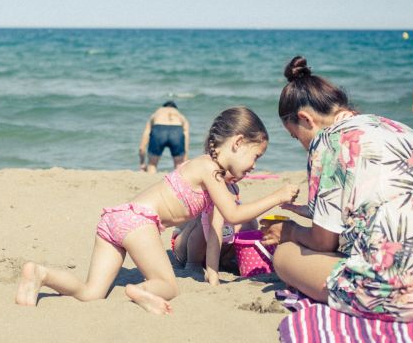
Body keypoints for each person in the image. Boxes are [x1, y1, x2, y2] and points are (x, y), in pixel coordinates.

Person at [263, 56, 413, 321]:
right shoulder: (396, 128)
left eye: (296, 136)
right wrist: (314, 212)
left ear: (306, 119)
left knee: (285, 256)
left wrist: (289, 230)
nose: (301, 144)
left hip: (412, 293)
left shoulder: (327, 143)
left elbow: (322, 241)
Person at [16, 106, 300, 314]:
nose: (254, 166)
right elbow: (236, 216)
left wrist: (212, 274)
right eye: (256, 156)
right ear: (238, 143)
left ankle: (41, 274)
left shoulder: (209, 172)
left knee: (92, 294)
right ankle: (139, 291)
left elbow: (215, 227)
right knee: (168, 285)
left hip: (115, 219)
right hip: (138, 224)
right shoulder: (209, 169)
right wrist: (278, 195)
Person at [138, 101, 190, 173]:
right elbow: (186, 139)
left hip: (159, 128)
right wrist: (185, 157)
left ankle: (151, 181)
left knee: (152, 164)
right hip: (177, 129)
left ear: (163, 107)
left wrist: (142, 163)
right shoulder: (181, 116)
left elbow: (143, 141)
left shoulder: (156, 114)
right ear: (175, 109)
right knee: (178, 165)